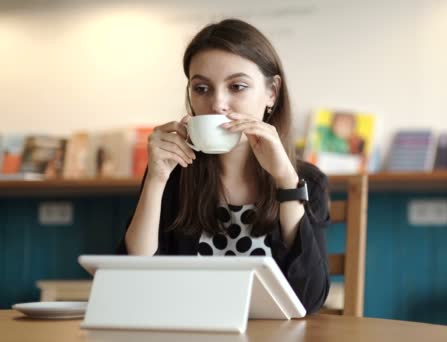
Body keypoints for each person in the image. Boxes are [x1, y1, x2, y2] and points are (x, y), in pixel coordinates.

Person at [116, 19, 331, 314]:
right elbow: (134, 282)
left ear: (272, 92)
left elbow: (308, 300)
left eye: (237, 87)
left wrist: (285, 181)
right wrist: (156, 179)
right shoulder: (175, 174)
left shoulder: (305, 181)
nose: (217, 103)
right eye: (202, 88)